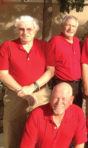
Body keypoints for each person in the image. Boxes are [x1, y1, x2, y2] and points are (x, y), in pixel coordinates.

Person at [0, 15, 54, 148]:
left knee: (41, 131)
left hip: (41, 94)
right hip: (15, 95)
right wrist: (22, 91)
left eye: (29, 29)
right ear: (17, 30)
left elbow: (50, 71)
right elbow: (2, 74)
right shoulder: (7, 46)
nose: (25, 33)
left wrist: (32, 87)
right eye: (21, 29)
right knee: (13, 132)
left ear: (36, 30)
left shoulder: (45, 46)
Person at [20, 82, 87, 148]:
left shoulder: (78, 113)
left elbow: (80, 143)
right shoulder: (37, 115)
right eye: (56, 98)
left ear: (71, 100)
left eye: (64, 99)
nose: (59, 102)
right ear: (50, 97)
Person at [48, 15, 83, 107]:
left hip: (77, 85)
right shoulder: (55, 41)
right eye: (68, 25)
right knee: (61, 110)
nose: (70, 28)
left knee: (76, 110)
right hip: (61, 83)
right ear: (62, 26)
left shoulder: (78, 42)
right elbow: (48, 64)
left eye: (73, 26)